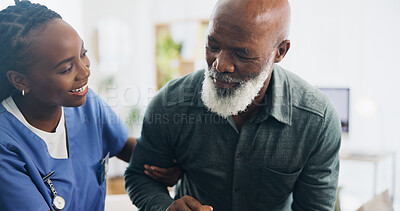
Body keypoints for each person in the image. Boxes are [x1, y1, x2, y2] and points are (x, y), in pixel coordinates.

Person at [124, 0, 342, 210]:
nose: (220, 65)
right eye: (213, 45)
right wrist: (165, 207)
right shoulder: (171, 103)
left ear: (280, 52)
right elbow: (139, 177)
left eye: (241, 54)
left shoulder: (316, 120)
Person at [0, 1, 181, 210]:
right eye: (67, 68)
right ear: (20, 80)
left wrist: (167, 165)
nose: (85, 72)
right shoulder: (6, 146)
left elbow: (123, 146)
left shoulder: (87, 106)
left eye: (83, 54)